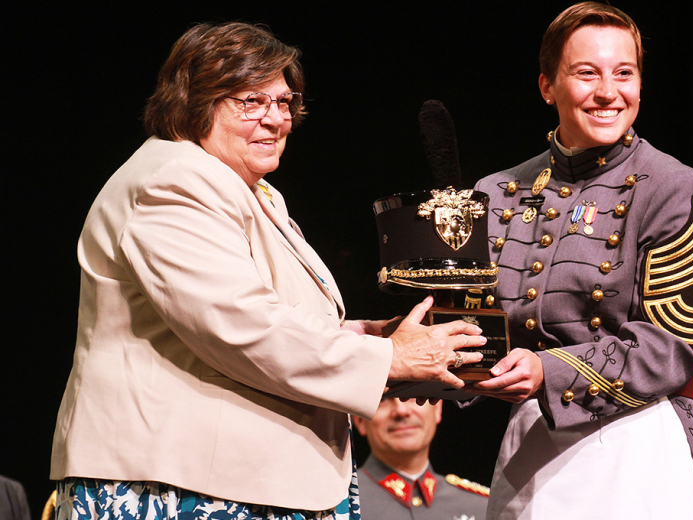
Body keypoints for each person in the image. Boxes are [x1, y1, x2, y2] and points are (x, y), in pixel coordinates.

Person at [50, 22, 486, 520]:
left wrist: (365, 336)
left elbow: (259, 315)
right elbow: (238, 325)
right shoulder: (175, 180)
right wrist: (388, 358)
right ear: (194, 103)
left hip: (237, 481)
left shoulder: (249, 190)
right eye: (251, 102)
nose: (276, 119)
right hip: (179, 486)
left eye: (283, 102)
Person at [468, 3, 693, 519]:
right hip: (529, 445)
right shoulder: (496, 192)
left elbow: (675, 345)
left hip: (639, 449)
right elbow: (476, 321)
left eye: (623, 73)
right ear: (547, 86)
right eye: (587, 73)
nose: (608, 92)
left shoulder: (675, 188)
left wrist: (547, 372)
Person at [352, 398, 489, 520]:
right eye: (383, 399)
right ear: (359, 420)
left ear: (437, 408)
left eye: (415, 396)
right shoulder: (343, 506)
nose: (401, 411)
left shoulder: (482, 507)